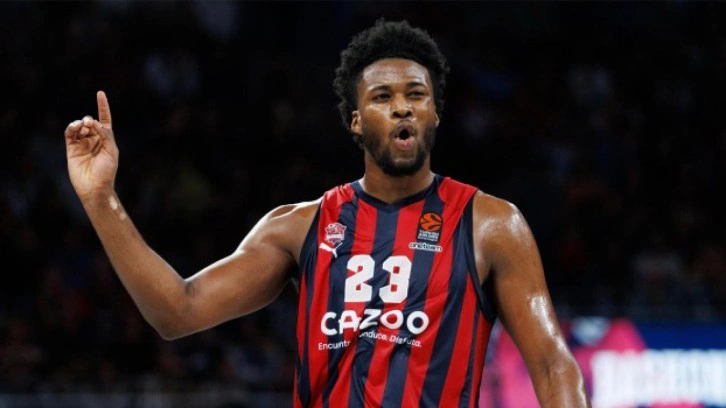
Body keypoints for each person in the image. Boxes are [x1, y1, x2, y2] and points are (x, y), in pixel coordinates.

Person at [64, 20, 590, 407]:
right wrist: (101, 199)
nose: (402, 106)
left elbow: (552, 366)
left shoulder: (491, 223)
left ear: (434, 113)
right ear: (356, 121)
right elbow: (176, 311)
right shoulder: (299, 226)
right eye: (383, 97)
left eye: (416, 95)